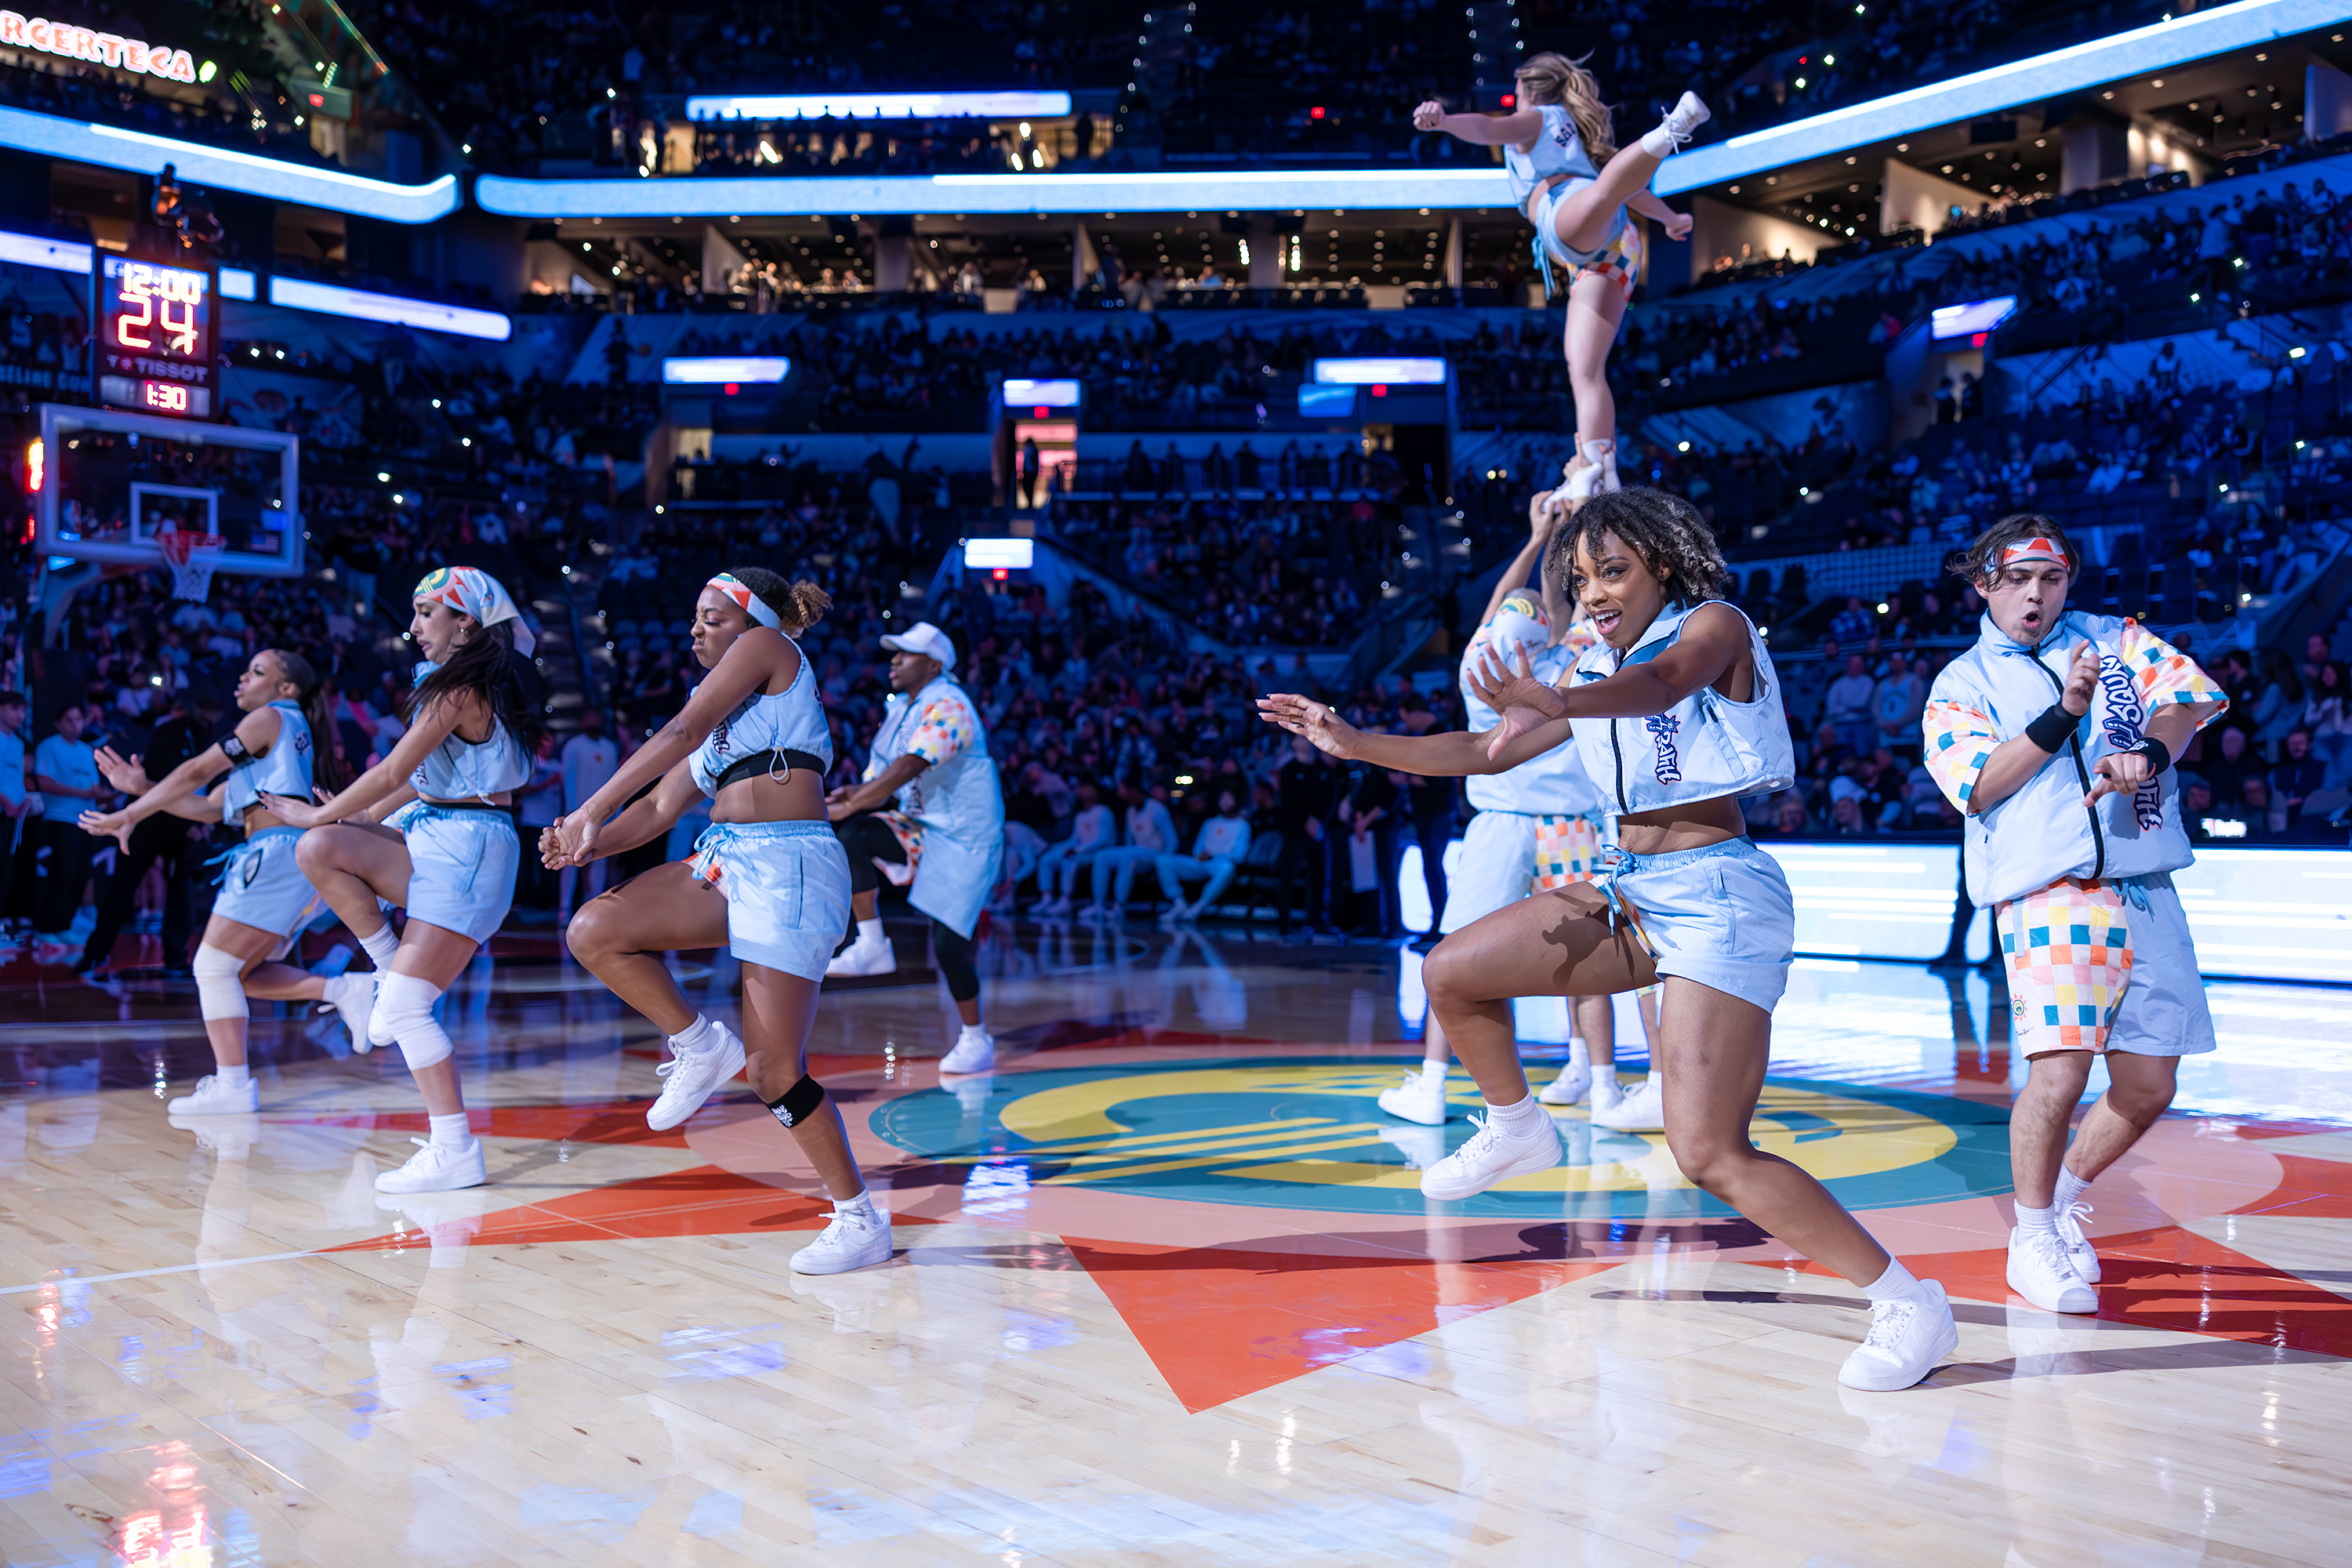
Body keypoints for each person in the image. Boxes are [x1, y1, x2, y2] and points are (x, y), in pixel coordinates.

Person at [1261, 487, 1960, 1392]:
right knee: (1452, 969)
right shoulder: (1593, 666)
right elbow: (1485, 752)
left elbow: (1664, 684)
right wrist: (1355, 741)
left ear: (1663, 564)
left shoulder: (1713, 626)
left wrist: (1559, 693)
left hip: (1719, 893)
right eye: (1582, 577)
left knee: (1709, 1153)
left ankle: (1909, 1301)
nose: (1592, 592)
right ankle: (1518, 1127)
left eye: (1613, 571)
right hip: (1632, 886)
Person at [1921, 517, 2227, 1316]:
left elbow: (2187, 701)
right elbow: (1977, 784)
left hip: (2145, 881)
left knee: (2150, 1084)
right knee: (2059, 1073)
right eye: (2017, 579)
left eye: (2051, 579)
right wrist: (2064, 711)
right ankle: (2030, 1238)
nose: (2036, 594)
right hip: (2049, 893)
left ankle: (2056, 1204)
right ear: (1983, 584)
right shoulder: (1960, 683)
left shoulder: (2116, 638)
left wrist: (2149, 754)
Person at [546, 570, 887, 1276]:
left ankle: (858, 1218)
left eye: (712, 618)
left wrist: (590, 809)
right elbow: (656, 810)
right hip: (728, 861)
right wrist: (584, 843)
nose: (696, 629)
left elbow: (681, 727)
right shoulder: (727, 727)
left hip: (791, 866)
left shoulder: (770, 646)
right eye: (696, 618)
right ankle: (699, 1044)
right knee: (594, 929)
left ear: (751, 622)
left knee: (772, 1072)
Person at [1375, 481, 1652, 1133]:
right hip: (1570, 826)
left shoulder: (1480, 665)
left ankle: (1434, 1085)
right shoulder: (1575, 662)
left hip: (1501, 824)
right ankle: (1604, 1089)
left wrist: (1535, 539)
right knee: (1588, 959)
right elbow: (1566, 605)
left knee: (1456, 955)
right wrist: (1568, 533)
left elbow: (1507, 602)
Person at [261, 568, 541, 1196]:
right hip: (435, 829)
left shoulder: (463, 686)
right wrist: (351, 820)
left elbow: (392, 770)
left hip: (471, 848)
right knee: (322, 848)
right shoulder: (465, 677)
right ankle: (385, 968)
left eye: (425, 612)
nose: (413, 626)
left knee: (407, 1010)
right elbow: (415, 785)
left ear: (465, 622)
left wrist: (317, 811)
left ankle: (454, 1151)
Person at [78, 651, 378, 1113]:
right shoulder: (273, 747)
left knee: (213, 968)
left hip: (275, 855)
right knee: (238, 974)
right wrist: (142, 790)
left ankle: (233, 1085)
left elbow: (197, 770)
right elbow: (203, 807)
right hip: (281, 856)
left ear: (286, 688)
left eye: (257, 672)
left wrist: (129, 813)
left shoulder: (270, 718)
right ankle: (342, 991)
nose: (242, 677)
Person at [1413, 56, 1704, 491]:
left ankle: (1671, 130)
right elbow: (1629, 188)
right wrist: (1670, 218)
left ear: (1530, 91)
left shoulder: (1537, 118)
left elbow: (1488, 129)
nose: (1515, 101)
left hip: (1572, 218)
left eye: (1517, 92)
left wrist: (1445, 121)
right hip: (1609, 251)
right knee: (1583, 368)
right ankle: (1599, 472)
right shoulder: (1575, 133)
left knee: (1603, 195)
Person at [824, 622, 1005, 1076]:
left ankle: (976, 1038)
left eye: (906, 654)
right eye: (895, 653)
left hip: (966, 838)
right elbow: (879, 777)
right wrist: (848, 797)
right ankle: (872, 944)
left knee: (947, 943)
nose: (895, 661)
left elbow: (909, 766)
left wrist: (858, 801)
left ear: (934, 665)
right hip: (922, 826)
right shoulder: (901, 710)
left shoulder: (951, 703)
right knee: (854, 834)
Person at [75, 684, 217, 976]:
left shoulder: (213, 737)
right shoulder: (168, 731)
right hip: (147, 820)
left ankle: (175, 958)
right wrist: (193, 821)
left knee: (181, 892)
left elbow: (209, 786)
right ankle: (94, 954)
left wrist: (201, 822)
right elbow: (161, 784)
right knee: (121, 890)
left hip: (183, 823)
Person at [31, 704, 103, 949]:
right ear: (58, 722)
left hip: (87, 819)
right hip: (60, 818)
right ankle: (47, 927)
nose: (75, 724)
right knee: (62, 873)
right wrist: (83, 793)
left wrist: (105, 795)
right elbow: (44, 782)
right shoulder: (49, 746)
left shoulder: (86, 750)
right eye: (69, 719)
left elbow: (93, 787)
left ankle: (65, 924)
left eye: (79, 719)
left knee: (81, 874)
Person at [1085, 777, 1178, 921]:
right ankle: (1099, 904)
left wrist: (1165, 862)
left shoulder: (1156, 808)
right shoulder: (1130, 810)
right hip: (1136, 852)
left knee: (1127, 857)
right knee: (1101, 856)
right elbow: (1130, 840)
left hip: (1156, 853)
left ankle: (1119, 906)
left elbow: (1172, 838)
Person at [558, 706, 619, 918]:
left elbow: (615, 782)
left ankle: (592, 906)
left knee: (599, 858)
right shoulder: (573, 746)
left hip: (603, 815)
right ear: (583, 722)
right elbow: (568, 779)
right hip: (576, 813)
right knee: (569, 860)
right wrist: (571, 810)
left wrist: (616, 811)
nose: (595, 722)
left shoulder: (610, 747)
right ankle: (564, 908)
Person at [1155, 788, 1250, 924]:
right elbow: (1197, 850)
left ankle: (1200, 906)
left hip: (1219, 864)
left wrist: (1213, 855)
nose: (1225, 803)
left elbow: (1239, 856)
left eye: (1229, 799)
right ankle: (1178, 903)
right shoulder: (1210, 823)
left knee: (1227, 869)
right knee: (1163, 860)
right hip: (1200, 863)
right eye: (1223, 799)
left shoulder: (1242, 825)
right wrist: (1203, 856)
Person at [1033, 779, 1113, 916]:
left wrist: (1078, 849)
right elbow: (1074, 840)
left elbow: (1103, 840)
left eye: (1087, 788)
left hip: (1097, 852)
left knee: (1070, 858)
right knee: (1047, 859)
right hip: (1080, 851)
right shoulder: (1080, 815)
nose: (1084, 791)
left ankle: (1066, 899)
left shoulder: (1104, 812)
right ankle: (1047, 897)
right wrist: (1055, 847)